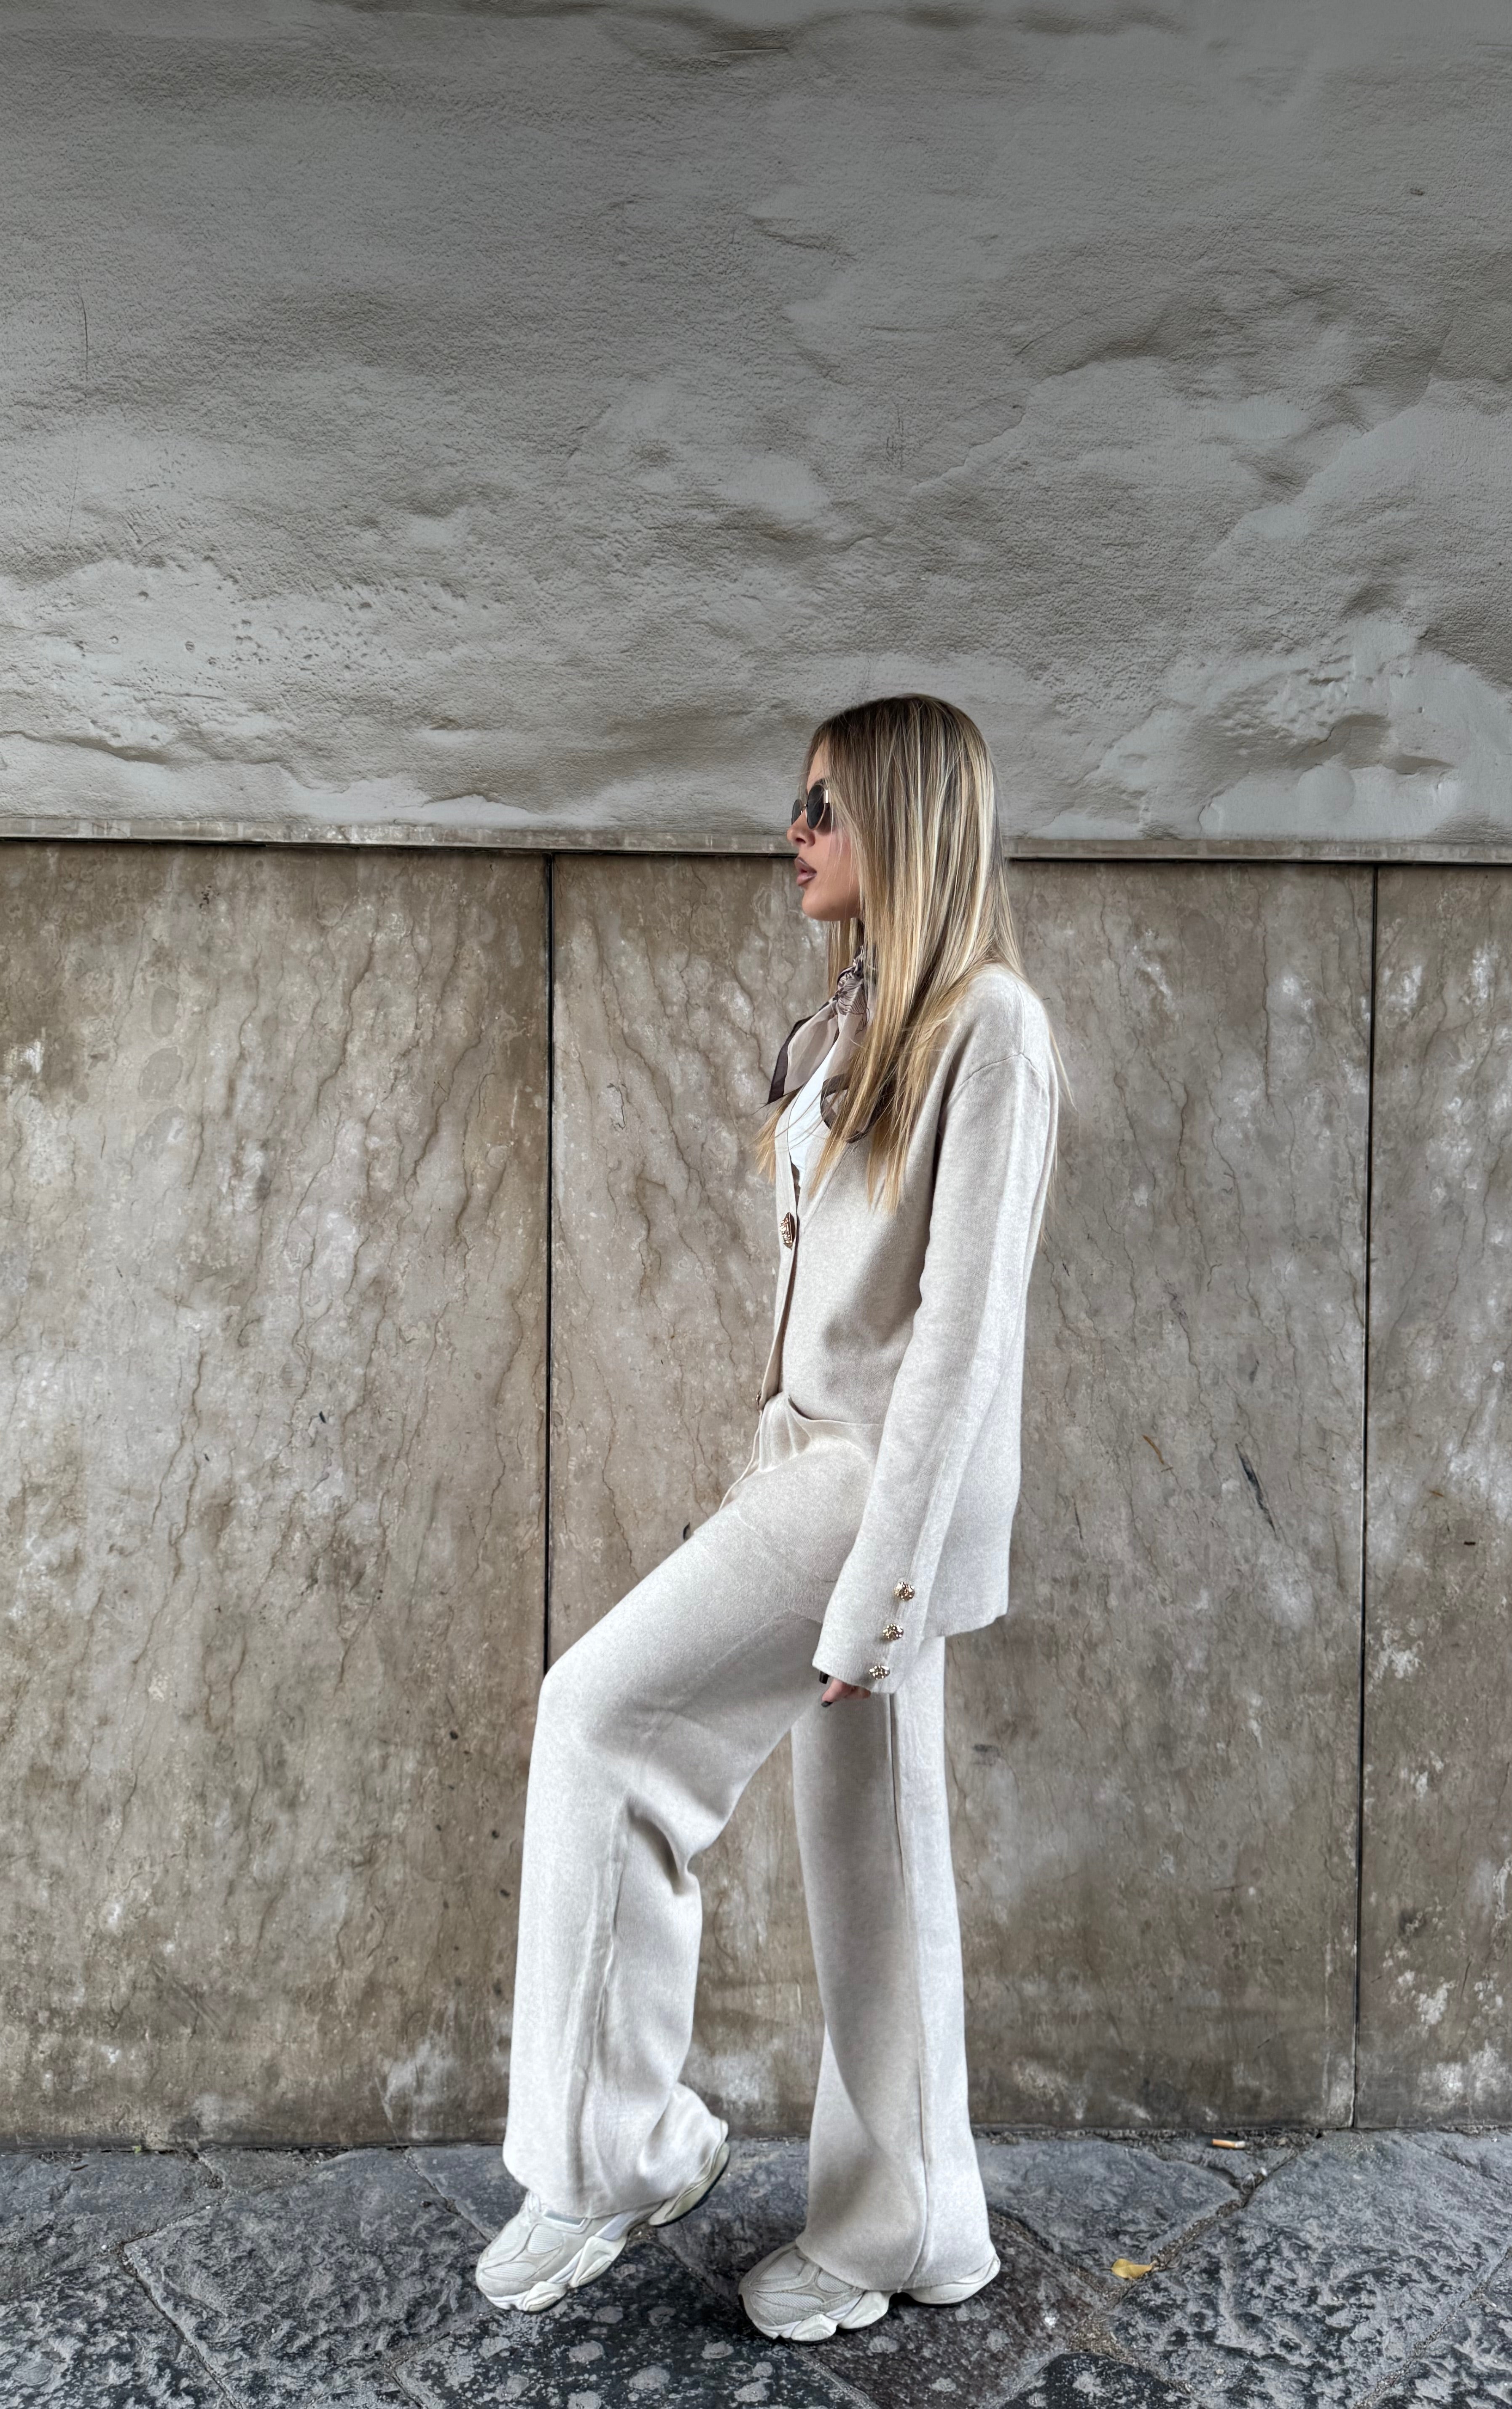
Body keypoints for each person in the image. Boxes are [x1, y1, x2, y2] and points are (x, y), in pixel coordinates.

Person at [475, 693, 1066, 2344]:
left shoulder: (992, 1026)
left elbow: (959, 1338)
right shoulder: (852, 1023)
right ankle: (918, 2225)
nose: (793, 832)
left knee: (599, 1717)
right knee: (878, 1862)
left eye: (824, 805)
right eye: (796, 805)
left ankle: (617, 2151)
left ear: (906, 820)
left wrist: (879, 1594)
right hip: (809, 1468)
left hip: (873, 1486)